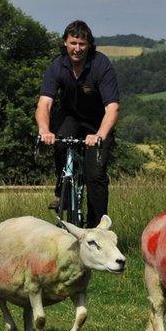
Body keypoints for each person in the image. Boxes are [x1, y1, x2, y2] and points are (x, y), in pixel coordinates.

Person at [36, 20, 119, 228]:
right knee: (60, 141)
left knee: (95, 176)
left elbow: (112, 108)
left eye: (82, 44)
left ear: (89, 45)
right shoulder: (58, 65)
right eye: (73, 43)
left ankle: (97, 230)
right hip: (70, 117)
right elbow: (44, 104)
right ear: (65, 43)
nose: (77, 48)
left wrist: (100, 135)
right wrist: (45, 130)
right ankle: (61, 190)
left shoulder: (101, 65)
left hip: (98, 123)